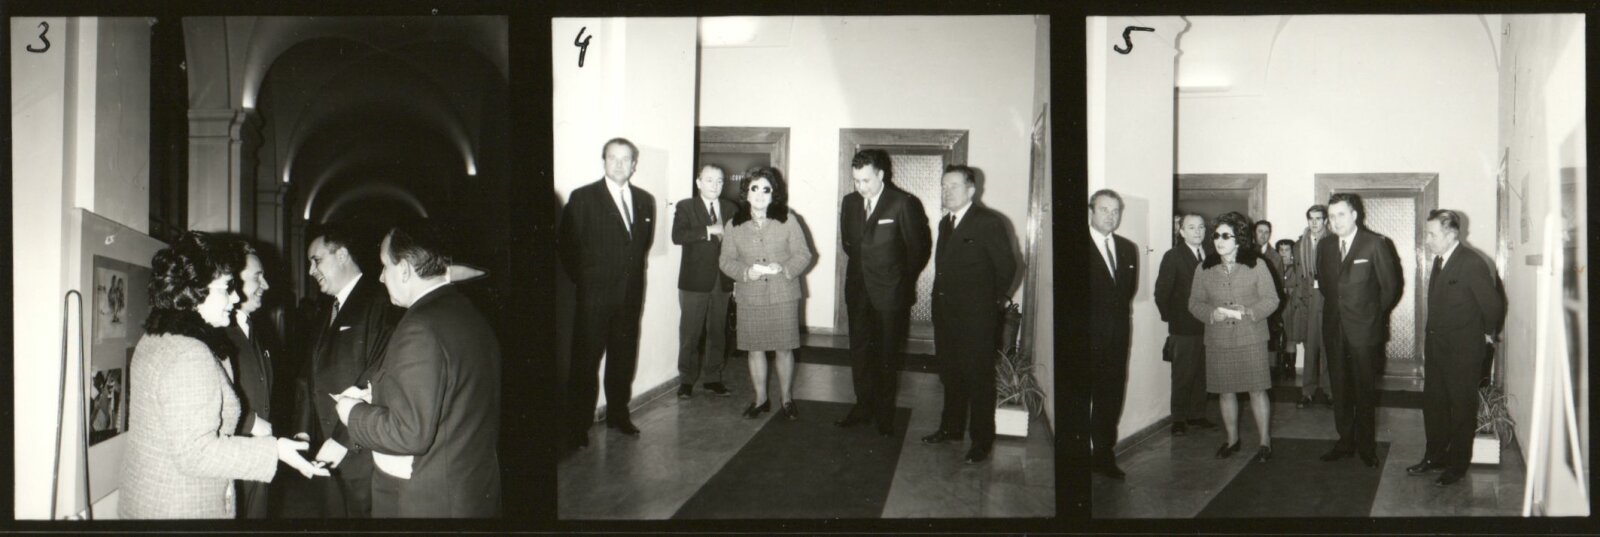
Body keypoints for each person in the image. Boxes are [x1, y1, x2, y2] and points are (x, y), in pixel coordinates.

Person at [121, 231, 326, 519]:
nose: (236, 296)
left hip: (153, 499)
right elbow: (197, 453)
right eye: (227, 288)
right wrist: (275, 450)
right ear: (197, 289)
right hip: (182, 507)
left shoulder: (158, 337)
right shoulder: (189, 353)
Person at [337, 221, 503, 517]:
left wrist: (352, 413)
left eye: (385, 266)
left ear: (404, 270)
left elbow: (410, 433)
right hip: (471, 492)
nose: (381, 277)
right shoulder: (468, 312)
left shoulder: (419, 327)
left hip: (428, 502)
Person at [295, 223, 400, 518]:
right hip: (327, 450)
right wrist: (302, 431)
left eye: (316, 260)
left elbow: (377, 372)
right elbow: (308, 375)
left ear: (341, 255)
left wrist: (341, 440)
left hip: (359, 451)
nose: (310, 271)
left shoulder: (379, 301)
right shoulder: (327, 309)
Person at [559, 137, 656, 448]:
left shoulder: (645, 200)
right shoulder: (583, 197)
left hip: (629, 298)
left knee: (623, 358)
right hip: (594, 299)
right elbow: (567, 247)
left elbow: (640, 246)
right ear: (604, 161)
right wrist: (589, 282)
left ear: (634, 165)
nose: (618, 164)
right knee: (585, 362)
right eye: (612, 158)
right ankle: (576, 425)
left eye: (625, 159)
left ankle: (618, 414)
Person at [921, 165, 1016, 464]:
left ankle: (981, 442)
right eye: (943, 186)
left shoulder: (988, 222)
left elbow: (1008, 267)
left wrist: (991, 303)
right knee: (950, 375)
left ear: (971, 190)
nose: (946, 191)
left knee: (978, 380)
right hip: (946, 315)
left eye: (954, 186)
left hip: (977, 318)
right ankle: (950, 429)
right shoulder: (945, 223)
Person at [835, 149, 932, 436]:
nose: (860, 187)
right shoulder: (850, 202)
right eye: (856, 180)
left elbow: (919, 249)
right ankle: (862, 406)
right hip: (858, 289)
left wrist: (899, 279)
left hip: (891, 293)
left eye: (866, 180)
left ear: (881, 175)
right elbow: (849, 244)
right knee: (859, 351)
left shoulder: (903, 203)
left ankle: (884, 414)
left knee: (887, 354)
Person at [1409, 209, 1505, 486]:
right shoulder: (1440, 261)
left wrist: (1486, 334)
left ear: (1451, 234)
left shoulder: (1471, 262)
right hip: (1437, 349)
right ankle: (1434, 457)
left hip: (1463, 351)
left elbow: (1494, 306)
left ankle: (1457, 466)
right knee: (1434, 406)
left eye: (1432, 234)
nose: (1427, 239)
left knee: (1461, 410)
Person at [718, 167, 814, 421]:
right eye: (754, 189)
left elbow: (803, 254)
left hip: (783, 293)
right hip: (750, 296)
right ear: (746, 193)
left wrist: (784, 268)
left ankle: (787, 399)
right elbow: (725, 260)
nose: (760, 195)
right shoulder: (734, 224)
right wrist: (744, 272)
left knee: (784, 348)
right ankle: (760, 399)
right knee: (754, 349)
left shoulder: (788, 219)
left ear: (774, 194)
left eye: (766, 189)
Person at [1316, 192, 1403, 468]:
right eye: (1331, 216)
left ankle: (1366, 447)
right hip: (1334, 328)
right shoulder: (1325, 246)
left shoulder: (1375, 243)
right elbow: (1327, 287)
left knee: (1364, 390)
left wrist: (1371, 315)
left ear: (1354, 215)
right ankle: (1344, 442)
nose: (1335, 221)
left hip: (1364, 331)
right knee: (1339, 389)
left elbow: (1390, 288)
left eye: (1341, 214)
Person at [1189, 212, 1279, 463]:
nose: (1219, 240)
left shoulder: (1256, 264)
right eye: (1216, 235)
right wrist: (1211, 313)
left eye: (1225, 236)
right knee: (1225, 391)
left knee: (1257, 390)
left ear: (1238, 239)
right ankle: (1232, 440)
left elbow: (1272, 299)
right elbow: (1194, 303)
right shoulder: (1204, 268)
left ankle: (1264, 442)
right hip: (1219, 339)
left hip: (1251, 336)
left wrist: (1249, 311)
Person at [224, 239, 283, 518]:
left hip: (258, 459)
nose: (266, 285)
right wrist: (250, 423)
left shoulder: (256, 328)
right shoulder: (217, 331)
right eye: (258, 277)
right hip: (232, 461)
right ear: (233, 281)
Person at [672, 164, 737, 399]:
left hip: (723, 281)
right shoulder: (685, 206)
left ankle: (712, 378)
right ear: (699, 183)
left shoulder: (731, 208)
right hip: (694, 282)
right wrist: (709, 229)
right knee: (690, 333)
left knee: (717, 332)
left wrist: (736, 278)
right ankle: (686, 381)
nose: (715, 185)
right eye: (709, 180)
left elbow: (737, 245)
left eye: (719, 181)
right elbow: (678, 236)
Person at [1089, 189, 1137, 479]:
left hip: (1117, 339)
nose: (1110, 216)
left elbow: (1125, 294)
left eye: (1115, 211)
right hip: (1085, 340)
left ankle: (1103, 456)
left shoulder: (1128, 248)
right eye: (1104, 209)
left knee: (1110, 397)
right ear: (1091, 211)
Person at [1155, 213, 1214, 437]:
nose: (1197, 231)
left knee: (1202, 373)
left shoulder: (1210, 254)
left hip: (1208, 325)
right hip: (1183, 327)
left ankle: (1197, 415)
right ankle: (1178, 419)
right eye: (1191, 227)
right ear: (1181, 232)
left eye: (1201, 227)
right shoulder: (1173, 256)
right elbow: (1162, 293)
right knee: (1182, 375)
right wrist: (1173, 320)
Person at [1295, 205, 1333, 408]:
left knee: (1328, 347)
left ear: (1325, 220)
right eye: (1311, 218)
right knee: (1309, 348)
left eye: (1319, 218)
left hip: (1327, 299)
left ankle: (1330, 391)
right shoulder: (1300, 244)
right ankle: (1307, 392)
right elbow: (1298, 277)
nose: (1315, 222)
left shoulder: (1333, 241)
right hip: (1307, 300)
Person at [1255, 220, 1288, 380]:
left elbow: (1279, 284)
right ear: (1254, 233)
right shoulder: (1246, 252)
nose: (1263, 235)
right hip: (1251, 304)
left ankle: (1269, 375)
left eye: (1266, 232)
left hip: (1268, 305)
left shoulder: (1275, 256)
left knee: (1270, 342)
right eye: (1260, 231)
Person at [1276, 238, 1306, 385]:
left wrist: (1287, 289)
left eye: (1287, 250)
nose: (1283, 253)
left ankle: (1291, 368)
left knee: (1291, 338)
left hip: (1292, 306)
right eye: (1281, 250)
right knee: (1278, 339)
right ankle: (1280, 367)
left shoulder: (1296, 267)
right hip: (1278, 307)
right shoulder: (1275, 266)